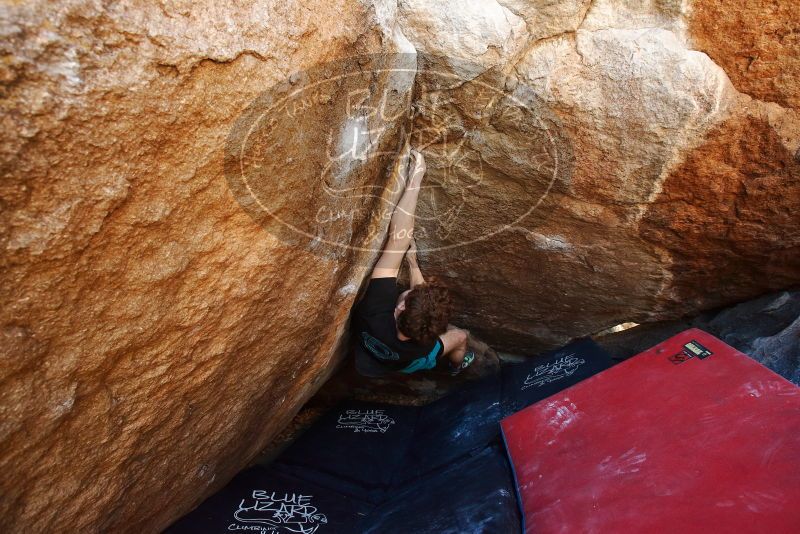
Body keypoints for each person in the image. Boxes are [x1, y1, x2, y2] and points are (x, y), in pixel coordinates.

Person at [353, 148, 475, 377]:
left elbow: (398, 241)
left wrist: (416, 176)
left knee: (456, 333)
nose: (412, 289)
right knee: (461, 336)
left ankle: (457, 367)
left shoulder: (375, 309)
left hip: (367, 354)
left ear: (399, 308)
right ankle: (459, 366)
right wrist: (413, 264)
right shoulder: (426, 345)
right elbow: (417, 297)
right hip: (404, 363)